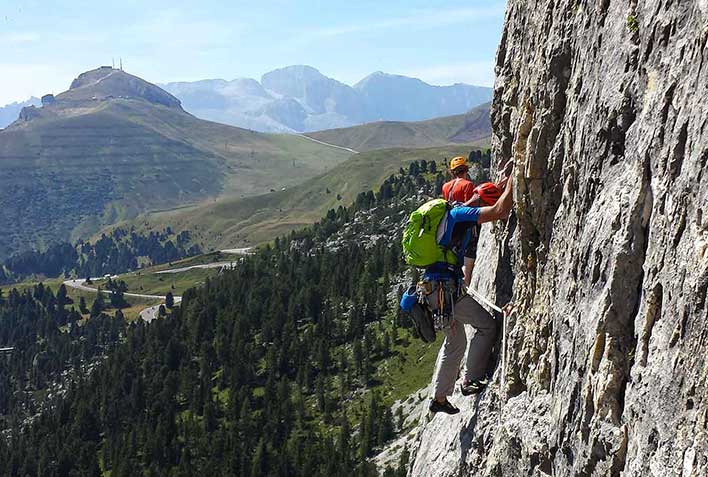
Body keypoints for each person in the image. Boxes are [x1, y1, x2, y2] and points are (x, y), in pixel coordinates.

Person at [427, 173, 515, 415]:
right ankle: (470, 381)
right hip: (446, 291)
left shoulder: (452, 215)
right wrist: (515, 180)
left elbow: (487, 198)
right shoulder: (460, 215)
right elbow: (498, 210)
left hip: (433, 290)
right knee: (486, 325)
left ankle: (439, 397)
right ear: (480, 203)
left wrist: (499, 184)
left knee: (455, 342)